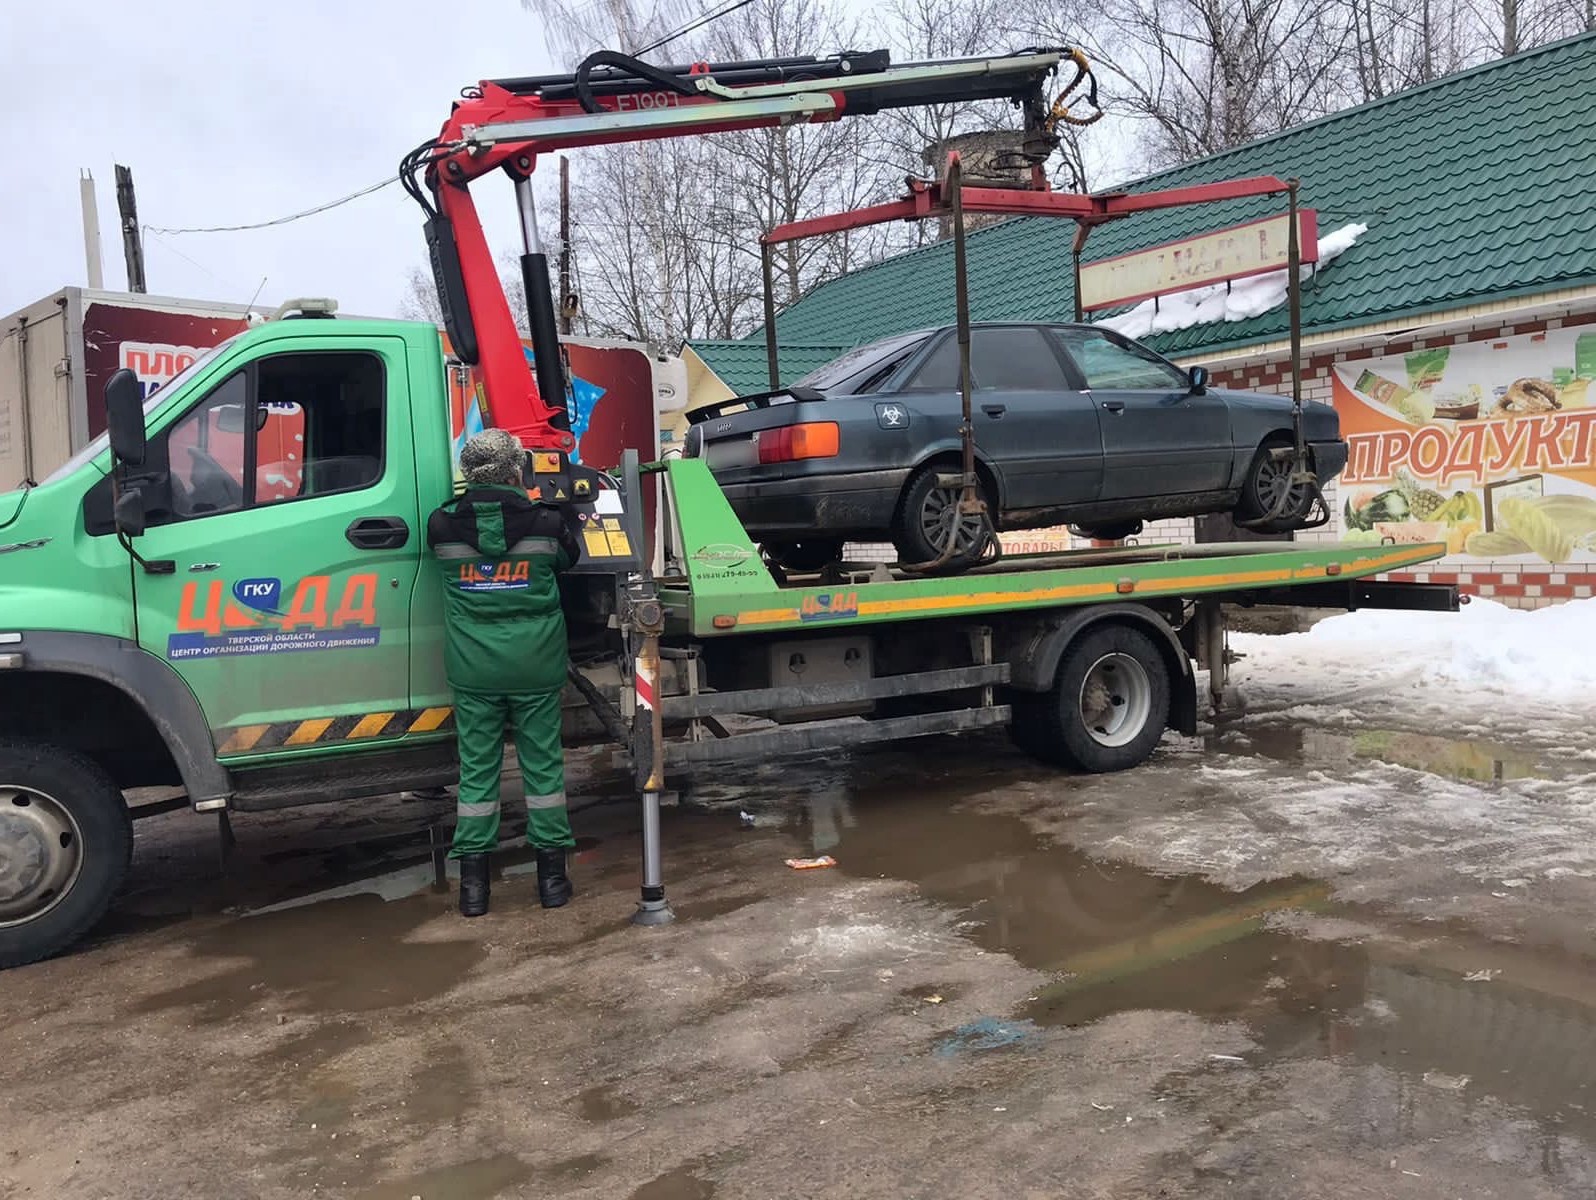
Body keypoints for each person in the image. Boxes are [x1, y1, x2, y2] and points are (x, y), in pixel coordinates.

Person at [426, 428, 583, 917]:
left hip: (474, 671)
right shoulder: (545, 522)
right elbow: (570, 559)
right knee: (543, 772)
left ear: (468, 473)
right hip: (536, 666)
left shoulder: (441, 525)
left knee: (477, 776)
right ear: (519, 469)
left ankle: (474, 893)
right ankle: (552, 884)